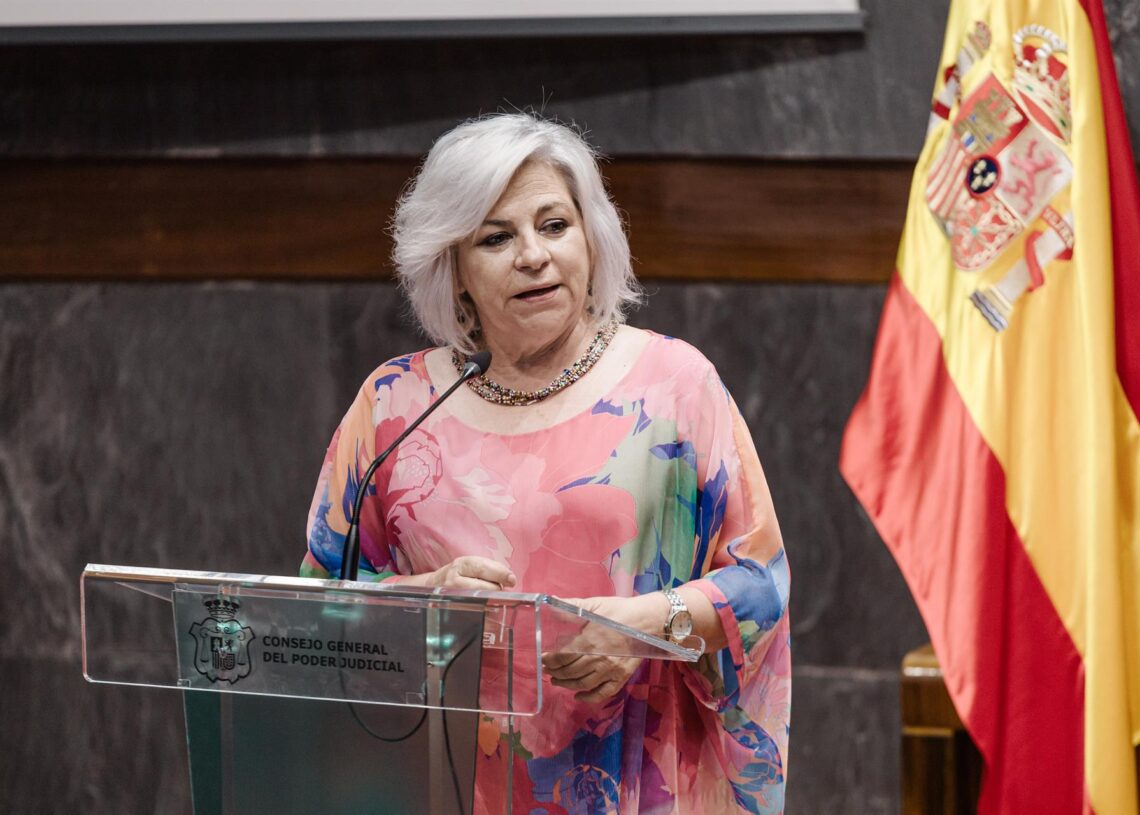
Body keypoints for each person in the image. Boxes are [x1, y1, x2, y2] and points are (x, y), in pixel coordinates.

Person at [302, 112, 790, 814]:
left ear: (591, 239)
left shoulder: (673, 386)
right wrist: (425, 601)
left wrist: (646, 624)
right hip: (441, 783)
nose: (532, 255)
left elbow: (762, 583)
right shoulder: (394, 406)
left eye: (554, 225)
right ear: (455, 267)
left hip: (633, 781)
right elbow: (313, 608)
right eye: (496, 237)